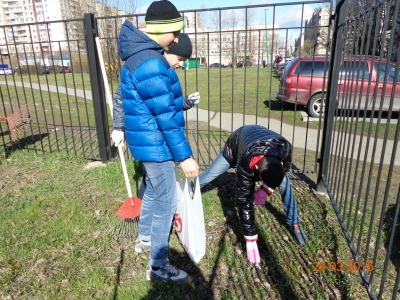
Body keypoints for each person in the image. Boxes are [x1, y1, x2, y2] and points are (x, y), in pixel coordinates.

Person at [111, 0, 199, 284]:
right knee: (166, 201)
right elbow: (164, 116)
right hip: (157, 144)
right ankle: (158, 267)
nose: (176, 39)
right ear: (162, 30)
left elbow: (161, 106)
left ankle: (145, 238)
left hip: (148, 143)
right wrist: (185, 157)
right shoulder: (150, 62)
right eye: (174, 32)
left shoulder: (140, 56)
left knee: (151, 191)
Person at [192, 125, 308, 265]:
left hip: (265, 141)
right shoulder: (246, 163)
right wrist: (250, 238)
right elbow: (243, 200)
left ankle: (293, 221)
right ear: (257, 167)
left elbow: (285, 170)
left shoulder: (285, 148)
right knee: (210, 175)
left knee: (284, 181)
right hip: (236, 144)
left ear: (281, 162)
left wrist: (265, 189)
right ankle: (189, 189)